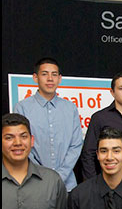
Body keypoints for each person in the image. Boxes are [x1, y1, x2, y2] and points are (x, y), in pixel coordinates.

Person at [2, 113, 67, 209]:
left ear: (31, 141)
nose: (17, 143)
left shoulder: (52, 181)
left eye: (23, 136)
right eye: (9, 137)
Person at [13, 57, 83, 192]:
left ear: (60, 78)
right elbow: (22, 146)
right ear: (35, 77)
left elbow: (76, 145)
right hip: (33, 184)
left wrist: (59, 176)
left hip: (66, 185)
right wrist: (43, 176)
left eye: (54, 74)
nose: (50, 79)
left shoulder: (70, 108)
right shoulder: (22, 108)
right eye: (44, 74)